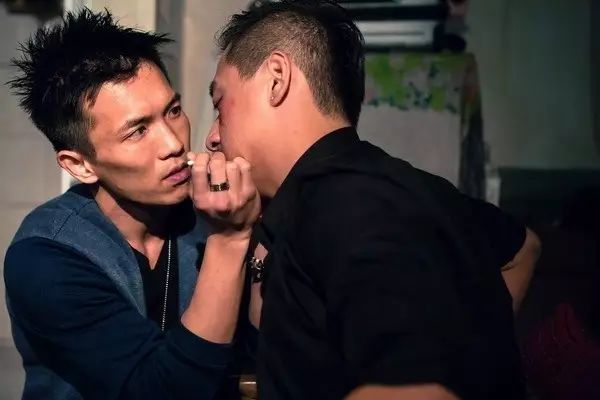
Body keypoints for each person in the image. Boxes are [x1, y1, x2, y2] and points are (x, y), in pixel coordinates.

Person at [207, 1, 541, 399]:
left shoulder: (345, 203)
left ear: (276, 78)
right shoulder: (402, 185)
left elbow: (419, 392)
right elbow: (524, 247)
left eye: (219, 105)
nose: (212, 136)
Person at [4, 9, 260, 400]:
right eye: (138, 131)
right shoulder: (44, 257)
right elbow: (163, 391)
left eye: (173, 111)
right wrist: (229, 241)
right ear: (80, 165)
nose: (173, 143)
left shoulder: (216, 209)